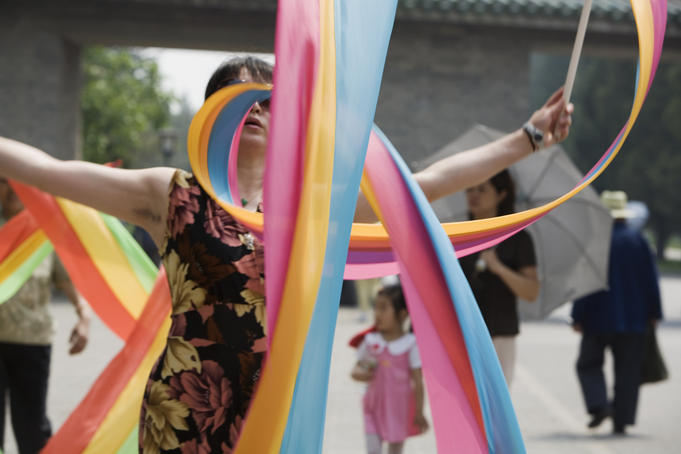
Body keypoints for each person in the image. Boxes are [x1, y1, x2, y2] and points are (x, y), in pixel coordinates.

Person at [0, 55, 572, 452]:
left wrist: (530, 137)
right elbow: (47, 170)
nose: (253, 109)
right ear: (208, 116)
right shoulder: (170, 192)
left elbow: (425, 184)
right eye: (235, 97)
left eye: (267, 100)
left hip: (278, 402)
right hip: (184, 402)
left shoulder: (309, 209)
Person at [0, 178, 90, 454]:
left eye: (20, 182)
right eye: (4, 182)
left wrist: (83, 317)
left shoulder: (45, 235)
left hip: (33, 342)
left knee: (33, 429)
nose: (13, 189)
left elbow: (69, 281)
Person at [571, 190, 663, 435]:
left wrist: (577, 315)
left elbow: (584, 281)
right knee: (628, 370)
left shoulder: (594, 241)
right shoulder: (639, 241)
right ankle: (621, 420)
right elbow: (651, 281)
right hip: (634, 319)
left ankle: (599, 406)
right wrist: (655, 312)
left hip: (596, 318)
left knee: (588, 364)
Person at [459, 170, 539, 385]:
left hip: (500, 334)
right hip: (461, 333)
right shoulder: (455, 237)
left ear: (502, 194)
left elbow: (531, 291)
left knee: (495, 410)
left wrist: (499, 268)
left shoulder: (518, 239)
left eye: (482, 189)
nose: (473, 195)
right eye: (469, 189)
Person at [351, 284, 427, 454]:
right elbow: (356, 371)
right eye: (375, 307)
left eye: (383, 308)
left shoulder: (410, 344)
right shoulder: (371, 342)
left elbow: (417, 381)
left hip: (399, 409)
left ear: (402, 314)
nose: (377, 313)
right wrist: (364, 374)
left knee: (395, 450)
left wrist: (419, 412)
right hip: (372, 408)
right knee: (373, 450)